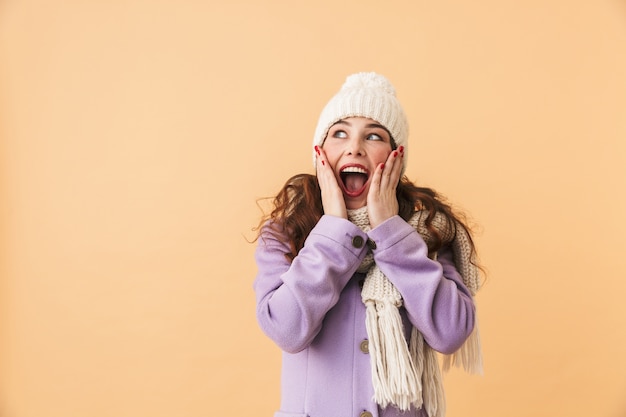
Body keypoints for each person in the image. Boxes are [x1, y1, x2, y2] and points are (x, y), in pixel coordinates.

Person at [253, 72, 483, 417]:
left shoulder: (430, 233)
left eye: (373, 136)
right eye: (339, 133)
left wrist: (391, 232)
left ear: (395, 157)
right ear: (320, 153)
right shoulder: (286, 233)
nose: (354, 147)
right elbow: (286, 330)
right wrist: (332, 231)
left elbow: (451, 333)